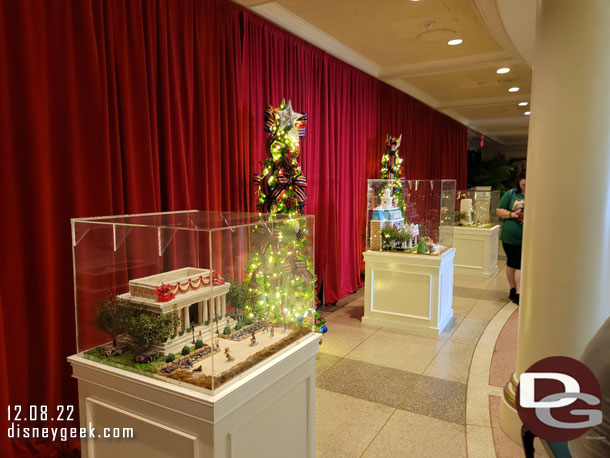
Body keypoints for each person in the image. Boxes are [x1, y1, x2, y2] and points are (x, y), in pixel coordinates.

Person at [496, 171, 525, 304]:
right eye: (524, 184)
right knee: (512, 262)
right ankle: (513, 289)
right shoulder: (512, 194)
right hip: (509, 236)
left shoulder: (538, 194)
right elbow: (499, 210)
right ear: (519, 181)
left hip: (527, 237)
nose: (526, 187)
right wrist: (513, 214)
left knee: (519, 263)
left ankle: (518, 291)